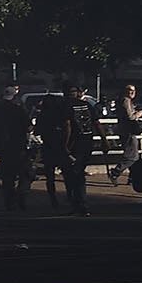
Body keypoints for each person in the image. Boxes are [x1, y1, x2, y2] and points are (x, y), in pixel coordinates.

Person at [39, 85, 92, 215]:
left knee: (51, 176)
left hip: (49, 147)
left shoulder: (44, 116)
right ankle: (72, 198)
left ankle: (54, 199)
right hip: (62, 146)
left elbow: (38, 131)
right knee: (71, 174)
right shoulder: (61, 111)